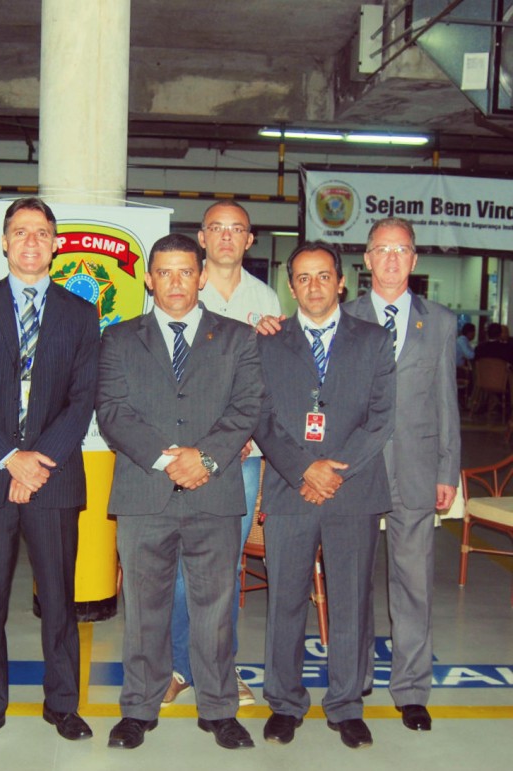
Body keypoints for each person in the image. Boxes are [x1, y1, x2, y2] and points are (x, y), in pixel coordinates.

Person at [96, 233, 261, 751]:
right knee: (145, 608)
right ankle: (138, 709)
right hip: (145, 492)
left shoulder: (238, 338)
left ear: (202, 276)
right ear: (149, 280)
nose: (175, 283)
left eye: (185, 272)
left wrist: (204, 458)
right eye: (164, 273)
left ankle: (219, 709)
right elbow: (112, 411)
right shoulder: (119, 338)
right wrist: (170, 460)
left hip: (214, 491)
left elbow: (248, 406)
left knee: (215, 607)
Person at [0, 197, 98, 749]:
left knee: (59, 600)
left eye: (41, 233)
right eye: (20, 232)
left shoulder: (80, 313)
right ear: (4, 241)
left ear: (56, 245)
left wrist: (36, 462)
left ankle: (63, 705)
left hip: (54, 478)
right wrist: (9, 458)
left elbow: (82, 400)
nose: (30, 241)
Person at [254, 242, 395, 750]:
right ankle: (284, 702)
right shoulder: (267, 342)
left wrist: (335, 472)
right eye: (303, 278)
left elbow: (381, 416)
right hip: (290, 487)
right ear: (290, 287)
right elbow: (259, 415)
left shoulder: (375, 340)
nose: (313, 286)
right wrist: (304, 469)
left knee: (351, 600)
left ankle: (346, 705)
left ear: (341, 281)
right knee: (285, 599)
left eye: (322, 276)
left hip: (352, 489)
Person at [163, 200, 281, 708]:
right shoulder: (179, 284)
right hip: (185, 454)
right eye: (217, 228)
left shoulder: (266, 297)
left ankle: (221, 666)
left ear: (250, 240)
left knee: (225, 565)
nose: (227, 237)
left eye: (237, 229)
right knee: (181, 564)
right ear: (202, 237)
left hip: (243, 456)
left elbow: (268, 383)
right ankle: (179, 667)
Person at [349, 218, 460, 732]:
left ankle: (412, 689)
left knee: (414, 582)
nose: (392, 258)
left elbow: (446, 401)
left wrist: (448, 468)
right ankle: (354, 679)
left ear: (414, 260)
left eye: (402, 250)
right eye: (383, 249)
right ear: (367, 259)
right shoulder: (343, 316)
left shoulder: (440, 322)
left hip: (417, 468)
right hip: (356, 466)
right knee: (354, 581)